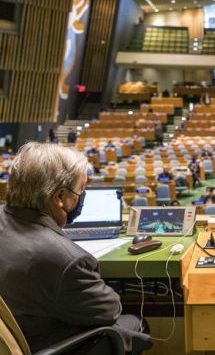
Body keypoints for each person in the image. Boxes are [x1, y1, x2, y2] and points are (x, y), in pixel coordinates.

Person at [0, 143, 151, 354]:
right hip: (45, 344)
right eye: (81, 190)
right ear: (60, 197)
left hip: (15, 337)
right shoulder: (65, 259)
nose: (82, 196)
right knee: (134, 323)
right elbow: (109, 311)